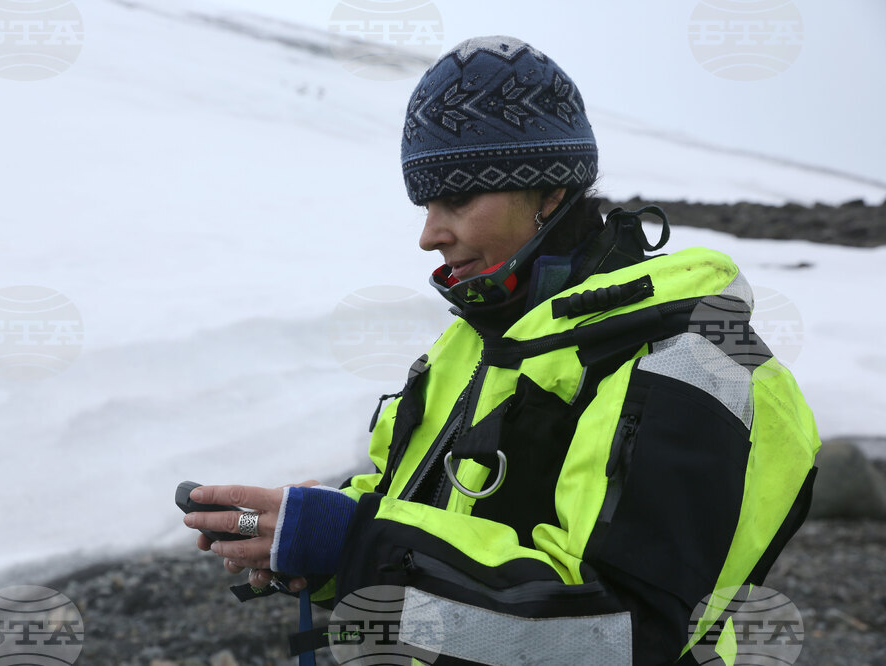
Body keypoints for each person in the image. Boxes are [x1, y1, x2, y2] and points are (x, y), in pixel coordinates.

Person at [182, 36, 820, 664]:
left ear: (550, 192)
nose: (430, 234)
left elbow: (623, 634)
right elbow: (420, 513)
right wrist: (312, 540)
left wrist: (355, 545)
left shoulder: (687, 359)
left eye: (457, 198)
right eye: (426, 203)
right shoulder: (478, 337)